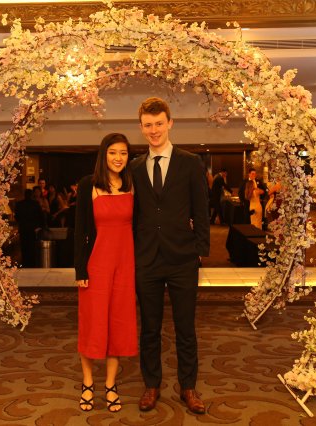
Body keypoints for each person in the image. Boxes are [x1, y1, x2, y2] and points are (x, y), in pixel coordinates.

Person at [130, 97, 210, 415]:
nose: (154, 130)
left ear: (170, 123)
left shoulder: (190, 162)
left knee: (185, 328)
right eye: (148, 125)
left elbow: (201, 210)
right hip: (147, 259)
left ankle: (188, 387)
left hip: (182, 259)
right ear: (141, 127)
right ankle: (151, 385)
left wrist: (200, 251)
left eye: (159, 124)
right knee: (149, 328)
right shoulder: (135, 167)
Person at [73, 133, 137, 413]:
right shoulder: (88, 184)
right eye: (113, 152)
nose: (118, 158)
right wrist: (80, 268)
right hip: (96, 265)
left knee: (118, 325)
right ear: (103, 155)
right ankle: (88, 382)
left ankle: (110, 384)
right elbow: (80, 231)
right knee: (93, 323)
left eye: (123, 153)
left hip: (125, 265)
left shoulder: (133, 184)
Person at [14, 189, 45, 267]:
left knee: (24, 247)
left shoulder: (19, 204)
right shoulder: (35, 204)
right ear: (32, 195)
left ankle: (25, 263)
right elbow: (40, 216)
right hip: (32, 228)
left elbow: (16, 217)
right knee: (32, 247)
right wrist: (40, 226)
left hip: (23, 228)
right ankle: (32, 263)